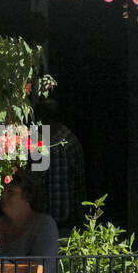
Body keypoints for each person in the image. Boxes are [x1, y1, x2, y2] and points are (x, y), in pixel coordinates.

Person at [0, 169, 59, 273]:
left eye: (11, 192)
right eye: (2, 191)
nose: (3, 196)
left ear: (28, 195)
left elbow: (41, 270)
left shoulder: (44, 225)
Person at [37, 98, 86, 233]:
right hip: (70, 220)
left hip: (60, 225)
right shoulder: (68, 137)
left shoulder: (57, 147)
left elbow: (57, 200)